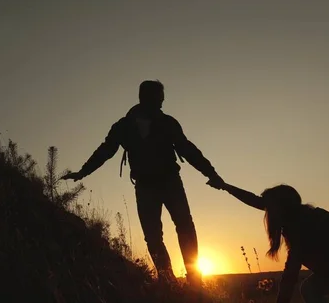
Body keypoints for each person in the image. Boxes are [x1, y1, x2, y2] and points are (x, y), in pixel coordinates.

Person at [61, 80, 224, 285]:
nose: (161, 102)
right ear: (147, 97)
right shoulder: (124, 126)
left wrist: (211, 173)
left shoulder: (166, 123)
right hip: (147, 186)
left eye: (161, 98)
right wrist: (84, 171)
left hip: (170, 182)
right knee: (154, 235)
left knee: (183, 227)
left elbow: (187, 149)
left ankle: (193, 280)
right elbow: (106, 150)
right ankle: (168, 281)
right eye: (158, 97)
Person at [210, 181, 329, 303]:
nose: (267, 214)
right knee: (310, 288)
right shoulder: (299, 217)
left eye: (270, 208)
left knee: (319, 288)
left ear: (280, 209)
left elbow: (290, 276)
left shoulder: (303, 228)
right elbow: (258, 201)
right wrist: (226, 187)